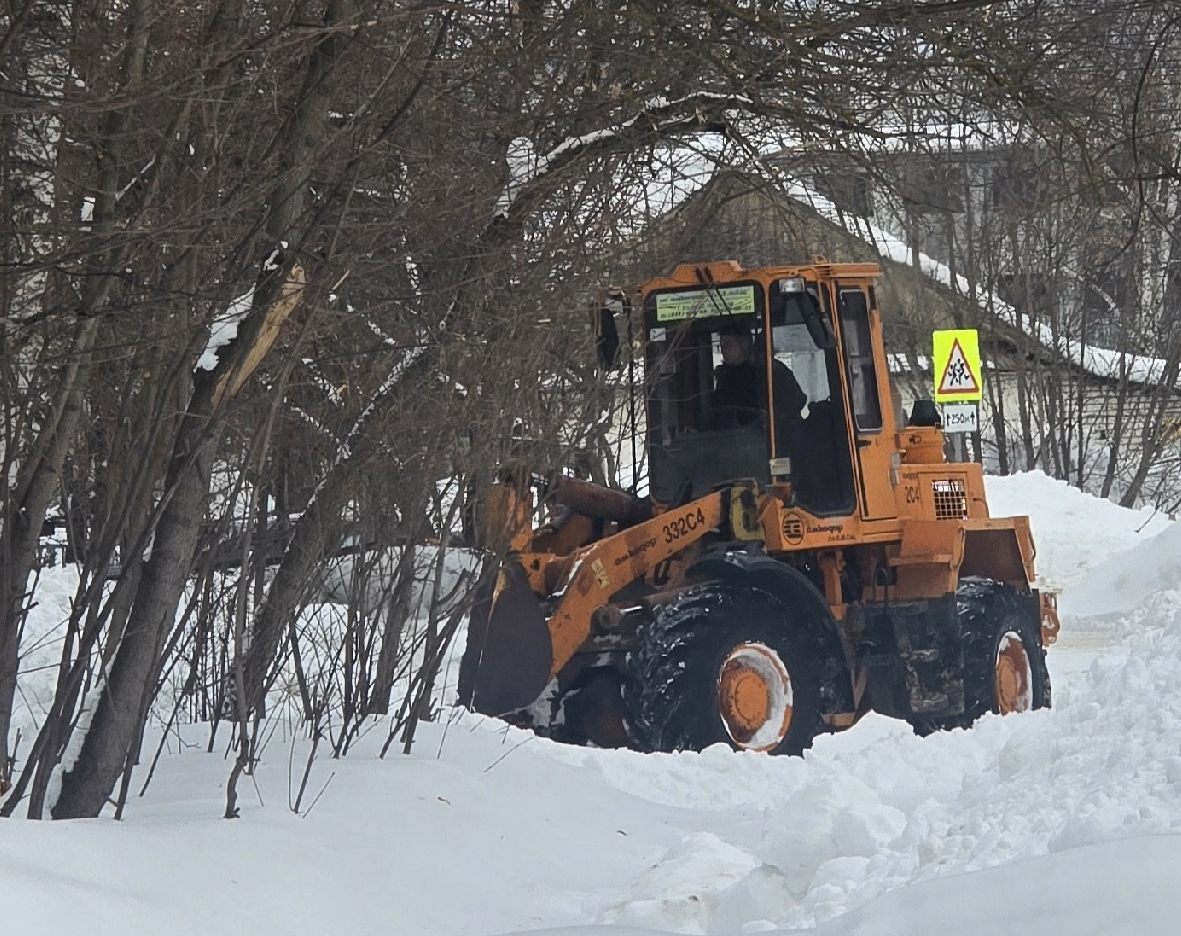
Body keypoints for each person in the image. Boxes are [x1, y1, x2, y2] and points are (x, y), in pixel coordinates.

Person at [710, 325, 807, 443]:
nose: (723, 350)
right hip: (735, 442)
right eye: (721, 345)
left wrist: (772, 419)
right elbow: (718, 411)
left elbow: (796, 400)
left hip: (774, 439)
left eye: (728, 344)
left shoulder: (771, 370)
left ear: (744, 344)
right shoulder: (725, 378)